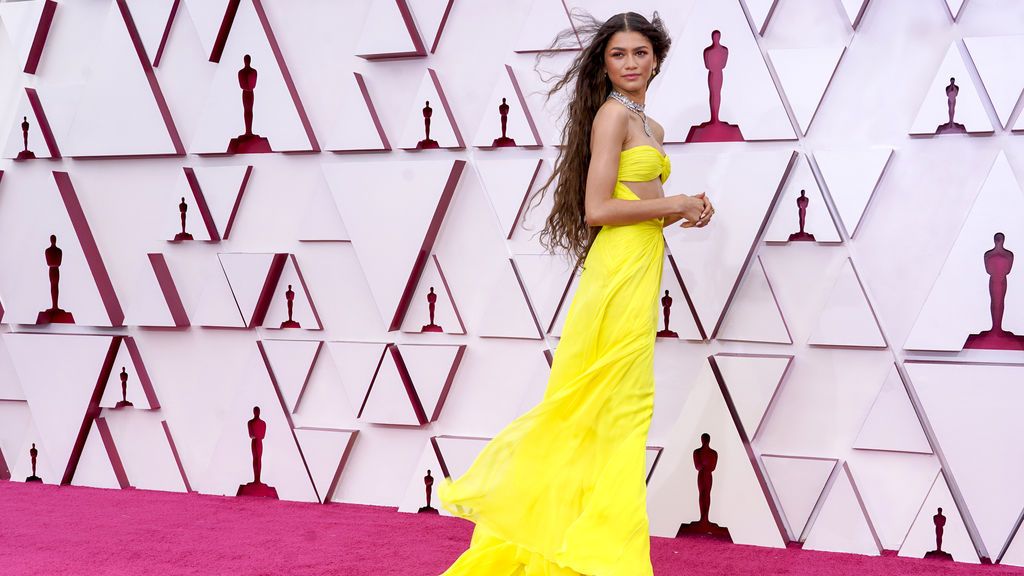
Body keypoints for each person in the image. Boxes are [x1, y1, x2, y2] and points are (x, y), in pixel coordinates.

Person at [436, 11, 713, 575]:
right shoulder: (611, 117)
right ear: (604, 64)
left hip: (640, 265)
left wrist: (689, 211)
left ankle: (590, 551)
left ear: (656, 58)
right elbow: (598, 210)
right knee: (615, 409)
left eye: (640, 53)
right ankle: (609, 560)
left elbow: (640, 202)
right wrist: (676, 202)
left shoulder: (650, 126)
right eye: (619, 54)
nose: (631, 63)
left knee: (620, 413)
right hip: (616, 274)